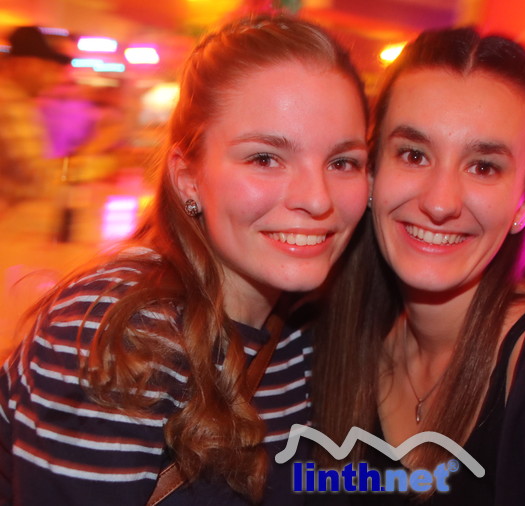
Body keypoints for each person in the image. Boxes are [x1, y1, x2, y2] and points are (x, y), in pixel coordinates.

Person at [0, 14, 369, 505]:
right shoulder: (119, 336)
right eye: (264, 158)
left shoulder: (310, 334)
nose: (317, 198)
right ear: (187, 177)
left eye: (343, 162)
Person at [312, 26, 525, 505]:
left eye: (483, 166)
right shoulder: (334, 336)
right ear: (372, 171)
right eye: (413, 155)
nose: (440, 202)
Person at [0, 25, 71, 211]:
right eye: (49, 69)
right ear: (26, 65)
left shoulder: (18, 101)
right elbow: (35, 176)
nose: (54, 80)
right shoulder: (11, 103)